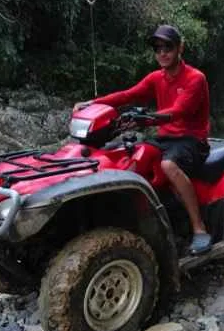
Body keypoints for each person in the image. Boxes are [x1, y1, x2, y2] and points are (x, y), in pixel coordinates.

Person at [73, 25, 213, 255]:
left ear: (180, 48)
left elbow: (178, 112)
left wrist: (144, 120)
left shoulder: (195, 78)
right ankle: (133, 220)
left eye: (168, 47)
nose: (162, 53)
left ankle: (199, 228)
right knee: (132, 160)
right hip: (165, 138)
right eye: (158, 48)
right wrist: (93, 103)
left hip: (192, 140)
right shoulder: (156, 78)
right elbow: (127, 95)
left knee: (168, 165)